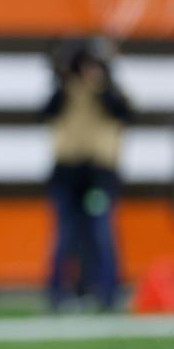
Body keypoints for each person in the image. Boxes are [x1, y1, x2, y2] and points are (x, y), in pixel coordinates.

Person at [42, 39, 133, 311]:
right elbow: (47, 112)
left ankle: (108, 295)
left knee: (100, 234)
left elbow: (124, 112)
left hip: (99, 174)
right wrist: (65, 75)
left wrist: (102, 82)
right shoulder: (64, 92)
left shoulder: (110, 93)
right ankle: (57, 296)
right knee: (64, 237)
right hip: (67, 173)